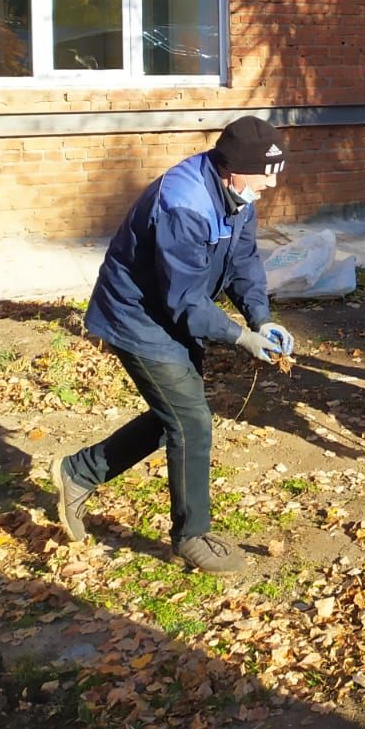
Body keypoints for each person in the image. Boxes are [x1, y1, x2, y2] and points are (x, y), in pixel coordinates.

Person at [49, 116, 294, 576]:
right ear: (232, 168)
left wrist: (262, 317)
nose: (269, 184)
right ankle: (191, 536)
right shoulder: (184, 204)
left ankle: (78, 473)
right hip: (138, 316)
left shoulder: (239, 195)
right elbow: (183, 299)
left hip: (174, 314)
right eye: (264, 173)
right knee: (192, 421)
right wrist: (242, 338)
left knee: (176, 418)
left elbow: (243, 262)